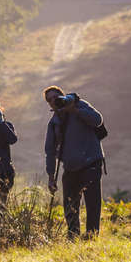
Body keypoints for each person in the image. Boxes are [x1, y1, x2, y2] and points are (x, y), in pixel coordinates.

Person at [43, 86, 105, 239]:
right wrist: (51, 176)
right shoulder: (55, 122)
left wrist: (74, 110)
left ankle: (91, 236)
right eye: (49, 100)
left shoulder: (80, 105)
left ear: (63, 96)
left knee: (92, 204)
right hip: (70, 167)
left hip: (91, 162)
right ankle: (73, 236)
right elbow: (50, 151)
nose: (53, 101)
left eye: (55, 97)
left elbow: (97, 120)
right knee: (70, 205)